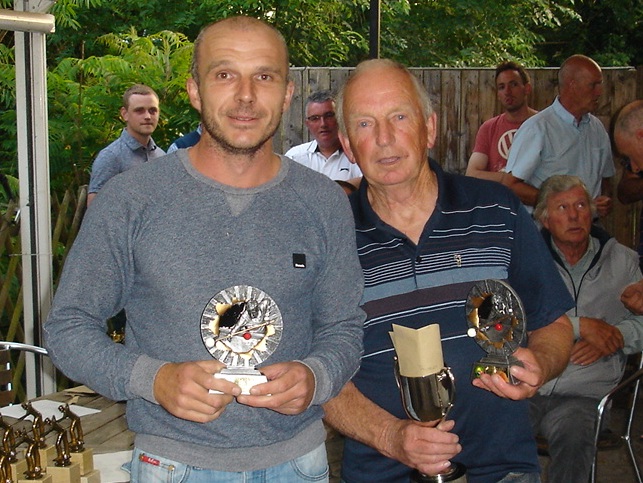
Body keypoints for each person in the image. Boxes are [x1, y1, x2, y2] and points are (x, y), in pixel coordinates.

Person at [44, 16, 365, 483]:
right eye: (224, 74)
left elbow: (344, 327)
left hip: (300, 462)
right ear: (195, 90)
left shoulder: (324, 203)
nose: (246, 95)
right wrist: (153, 379)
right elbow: (67, 327)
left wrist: (316, 375)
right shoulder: (130, 199)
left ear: (288, 93)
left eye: (264, 76)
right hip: (172, 465)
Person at [323, 58, 574, 483]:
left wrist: (542, 363)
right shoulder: (328, 239)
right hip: (381, 473)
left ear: (430, 128)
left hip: (503, 470)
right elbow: (318, 372)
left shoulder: (497, 209)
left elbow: (554, 323)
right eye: (365, 124)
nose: (385, 138)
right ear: (347, 144)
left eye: (399, 117)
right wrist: (390, 435)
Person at [529, 174, 643, 483]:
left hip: (584, 394)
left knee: (575, 434)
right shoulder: (525, 261)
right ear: (545, 219)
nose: (574, 214)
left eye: (581, 205)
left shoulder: (622, 261)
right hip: (525, 386)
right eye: (562, 207)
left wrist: (616, 336)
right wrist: (580, 327)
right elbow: (505, 322)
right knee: (487, 431)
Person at [503, 55, 614, 216]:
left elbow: (606, 179)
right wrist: (558, 204)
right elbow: (511, 185)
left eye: (600, 84)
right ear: (572, 86)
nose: (599, 92)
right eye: (593, 85)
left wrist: (605, 201)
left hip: (589, 230)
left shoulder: (597, 129)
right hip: (545, 233)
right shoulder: (538, 129)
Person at [87, 84, 165, 206]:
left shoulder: (161, 156)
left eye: (153, 110)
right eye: (139, 111)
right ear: (125, 114)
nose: (147, 116)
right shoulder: (111, 157)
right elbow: (95, 211)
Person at [465, 61, 537, 182]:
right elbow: (472, 173)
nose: (507, 92)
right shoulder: (489, 128)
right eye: (502, 87)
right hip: (500, 198)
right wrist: (509, 180)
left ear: (527, 89)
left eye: (513, 84)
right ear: (498, 94)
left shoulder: (543, 124)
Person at [285, 90, 362, 181]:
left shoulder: (356, 155)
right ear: (307, 124)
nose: (323, 124)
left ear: (340, 118)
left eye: (329, 116)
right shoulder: (295, 157)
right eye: (315, 118)